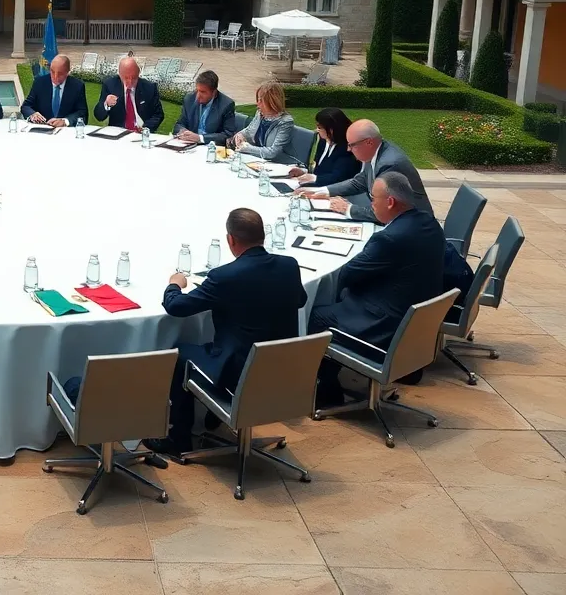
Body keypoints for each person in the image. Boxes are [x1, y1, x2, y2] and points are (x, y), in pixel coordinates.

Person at [144, 209, 306, 456]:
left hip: (239, 372)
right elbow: (300, 299)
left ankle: (179, 438)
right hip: (282, 370)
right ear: (262, 235)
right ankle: (213, 415)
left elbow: (176, 307)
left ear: (231, 240)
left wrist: (174, 284)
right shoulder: (289, 266)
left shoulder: (225, 277)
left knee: (180, 355)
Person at [309, 173, 446, 406]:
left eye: (373, 199)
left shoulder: (389, 239)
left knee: (316, 314)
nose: (371, 204)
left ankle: (327, 391)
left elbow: (348, 274)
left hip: (383, 326)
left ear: (390, 202)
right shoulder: (429, 223)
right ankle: (408, 367)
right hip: (414, 325)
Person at [295, 119, 433, 222]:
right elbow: (359, 182)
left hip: (413, 226)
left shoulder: (390, 165)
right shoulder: (376, 152)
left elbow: (385, 211)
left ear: (369, 142)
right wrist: (321, 191)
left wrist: (348, 209)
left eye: (352, 145)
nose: (348, 149)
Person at [287, 108, 361, 188]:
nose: (317, 130)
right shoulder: (323, 140)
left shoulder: (347, 148)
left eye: (319, 127)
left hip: (335, 191)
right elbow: (319, 167)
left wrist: (314, 178)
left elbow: (339, 177)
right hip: (319, 185)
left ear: (331, 130)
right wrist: (304, 173)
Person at [93, 55, 164, 132]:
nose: (130, 82)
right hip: (118, 134)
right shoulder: (110, 85)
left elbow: (158, 115)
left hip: (141, 134)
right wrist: (106, 104)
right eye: (126, 78)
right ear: (120, 74)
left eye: (134, 78)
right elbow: (99, 116)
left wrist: (145, 128)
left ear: (138, 73)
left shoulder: (149, 88)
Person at [231, 81, 295, 161]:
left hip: (275, 164)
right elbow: (249, 131)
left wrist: (247, 148)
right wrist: (240, 135)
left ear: (271, 102)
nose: (257, 104)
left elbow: (273, 152)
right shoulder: (260, 114)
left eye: (261, 100)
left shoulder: (285, 122)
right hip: (256, 160)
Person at [172, 70, 238, 145]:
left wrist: (200, 138)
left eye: (203, 92)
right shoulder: (189, 99)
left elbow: (228, 135)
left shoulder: (226, 104)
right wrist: (183, 131)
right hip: (189, 145)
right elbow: (179, 124)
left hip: (211, 147)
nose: (198, 95)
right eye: (197, 90)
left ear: (214, 92)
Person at [21, 55, 88, 127]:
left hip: (65, 132)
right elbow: (26, 106)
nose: (55, 77)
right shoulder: (40, 83)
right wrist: (32, 114)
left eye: (60, 74)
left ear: (67, 72)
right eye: (52, 72)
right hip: (42, 130)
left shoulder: (77, 86)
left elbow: (82, 113)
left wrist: (65, 121)